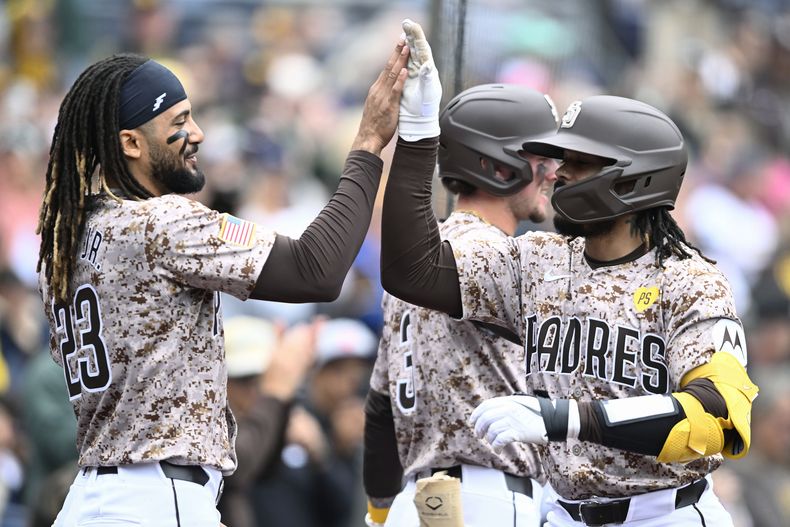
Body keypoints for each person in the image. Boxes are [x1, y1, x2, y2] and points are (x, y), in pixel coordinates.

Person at [379, 27, 759, 526]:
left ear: (631, 179)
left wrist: (567, 419)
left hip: (664, 514)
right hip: (563, 514)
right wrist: (418, 131)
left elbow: (723, 417)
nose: (556, 173)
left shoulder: (690, 281)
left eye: (577, 164)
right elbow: (410, 271)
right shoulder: (538, 262)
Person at [36, 38, 409, 526]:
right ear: (130, 143)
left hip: (94, 497)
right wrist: (367, 144)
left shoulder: (62, 242)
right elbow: (316, 271)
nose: (198, 133)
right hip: (155, 498)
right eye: (178, 122)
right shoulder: (158, 223)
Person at [363, 80, 561, 527]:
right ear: (497, 165)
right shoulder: (493, 253)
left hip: (416, 504)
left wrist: (378, 513)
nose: (553, 172)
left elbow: (380, 410)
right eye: (542, 158)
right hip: (490, 499)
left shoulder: (425, 261)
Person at [218, 316, 318, 527]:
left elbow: (264, 471)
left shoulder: (262, 418)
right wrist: (274, 396)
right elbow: (237, 467)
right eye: (245, 380)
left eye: (263, 380)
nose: (257, 393)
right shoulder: (200, 421)